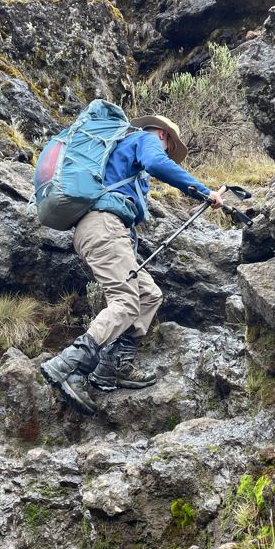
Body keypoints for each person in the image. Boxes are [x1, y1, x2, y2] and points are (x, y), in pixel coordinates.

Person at [40, 114, 224, 415]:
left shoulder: (118, 154)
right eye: (168, 147)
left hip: (102, 229)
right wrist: (203, 191)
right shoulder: (145, 139)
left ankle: (114, 367)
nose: (164, 152)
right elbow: (157, 163)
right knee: (125, 301)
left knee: (149, 294)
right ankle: (68, 364)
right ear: (163, 135)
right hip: (104, 227)